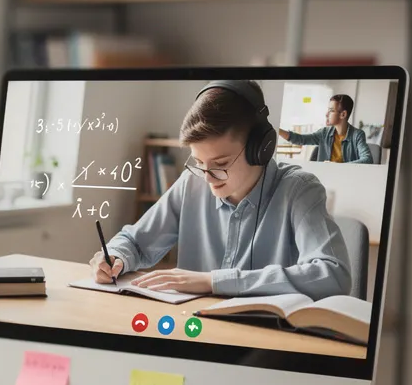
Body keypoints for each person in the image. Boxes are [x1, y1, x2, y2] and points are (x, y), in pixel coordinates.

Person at [88, 80, 352, 300]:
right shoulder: (192, 183)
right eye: (199, 162)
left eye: (221, 164)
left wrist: (215, 281)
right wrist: (115, 257)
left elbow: (334, 275)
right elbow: (135, 241)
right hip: (195, 330)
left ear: (260, 148)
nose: (208, 177)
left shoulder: (299, 191)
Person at [277, 94, 373, 163]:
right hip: (325, 177)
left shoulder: (357, 135)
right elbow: (300, 139)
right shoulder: (324, 133)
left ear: (343, 114)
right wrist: (277, 130)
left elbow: (367, 159)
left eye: (331, 110)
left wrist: (339, 167)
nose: (326, 114)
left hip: (346, 179)